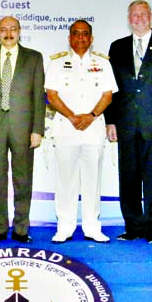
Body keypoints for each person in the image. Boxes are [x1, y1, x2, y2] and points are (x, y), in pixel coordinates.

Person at [104, 0, 152, 244]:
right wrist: (110, 121)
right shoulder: (116, 47)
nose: (138, 18)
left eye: (143, 14)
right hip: (125, 124)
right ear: (129, 19)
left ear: (151, 16)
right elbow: (111, 89)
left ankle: (151, 229)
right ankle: (132, 227)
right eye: (134, 15)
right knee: (127, 179)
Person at [0, 16, 45, 244]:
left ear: (20, 31)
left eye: (13, 29)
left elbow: (38, 97)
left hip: (23, 127)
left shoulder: (34, 57)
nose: (8, 33)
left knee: (23, 178)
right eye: (3, 29)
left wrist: (37, 129)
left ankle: (21, 228)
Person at [45, 20, 118, 244]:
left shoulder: (103, 63)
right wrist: (72, 116)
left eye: (85, 34)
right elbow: (52, 95)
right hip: (66, 128)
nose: (80, 38)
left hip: (93, 128)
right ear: (69, 38)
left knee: (92, 180)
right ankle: (64, 227)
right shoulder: (57, 62)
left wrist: (91, 116)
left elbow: (108, 95)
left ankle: (92, 226)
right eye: (76, 34)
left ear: (91, 38)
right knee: (65, 180)